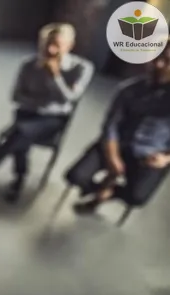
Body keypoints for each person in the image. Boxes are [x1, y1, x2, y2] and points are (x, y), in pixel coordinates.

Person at [0, 23, 94, 202]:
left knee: (18, 134)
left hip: (52, 120)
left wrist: (55, 76)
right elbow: (16, 96)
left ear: (69, 45)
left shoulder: (81, 67)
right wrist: (44, 101)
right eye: (46, 44)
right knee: (21, 135)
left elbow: (69, 98)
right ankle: (18, 179)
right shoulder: (29, 65)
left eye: (56, 45)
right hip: (26, 115)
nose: (50, 49)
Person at [65, 42, 170, 213]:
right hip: (117, 144)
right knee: (76, 176)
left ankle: (109, 192)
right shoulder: (128, 89)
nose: (158, 65)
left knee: (137, 197)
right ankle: (99, 190)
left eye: (166, 61)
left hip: (149, 155)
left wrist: (166, 159)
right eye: (156, 58)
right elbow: (110, 126)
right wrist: (113, 158)